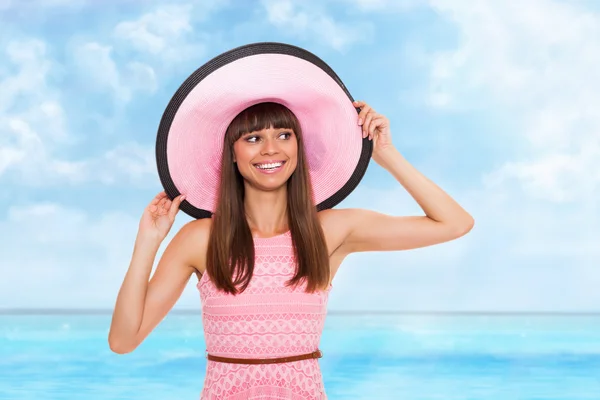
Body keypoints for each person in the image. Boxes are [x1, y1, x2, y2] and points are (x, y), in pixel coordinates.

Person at [108, 43, 473, 399]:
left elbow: (454, 223)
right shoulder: (200, 238)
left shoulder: (330, 231)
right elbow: (124, 341)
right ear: (231, 154)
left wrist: (387, 155)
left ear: (299, 145)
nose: (271, 149)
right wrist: (148, 242)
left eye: (284, 135)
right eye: (253, 138)